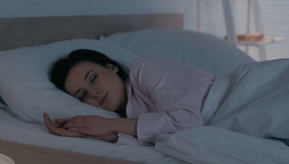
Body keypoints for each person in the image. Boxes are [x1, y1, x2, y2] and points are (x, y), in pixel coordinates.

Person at [43, 49, 217, 145]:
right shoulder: (126, 116)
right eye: (82, 95)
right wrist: (82, 132)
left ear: (111, 67)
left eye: (93, 78)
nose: (93, 93)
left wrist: (109, 124)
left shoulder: (144, 68)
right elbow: (139, 139)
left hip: (233, 98)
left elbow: (186, 123)